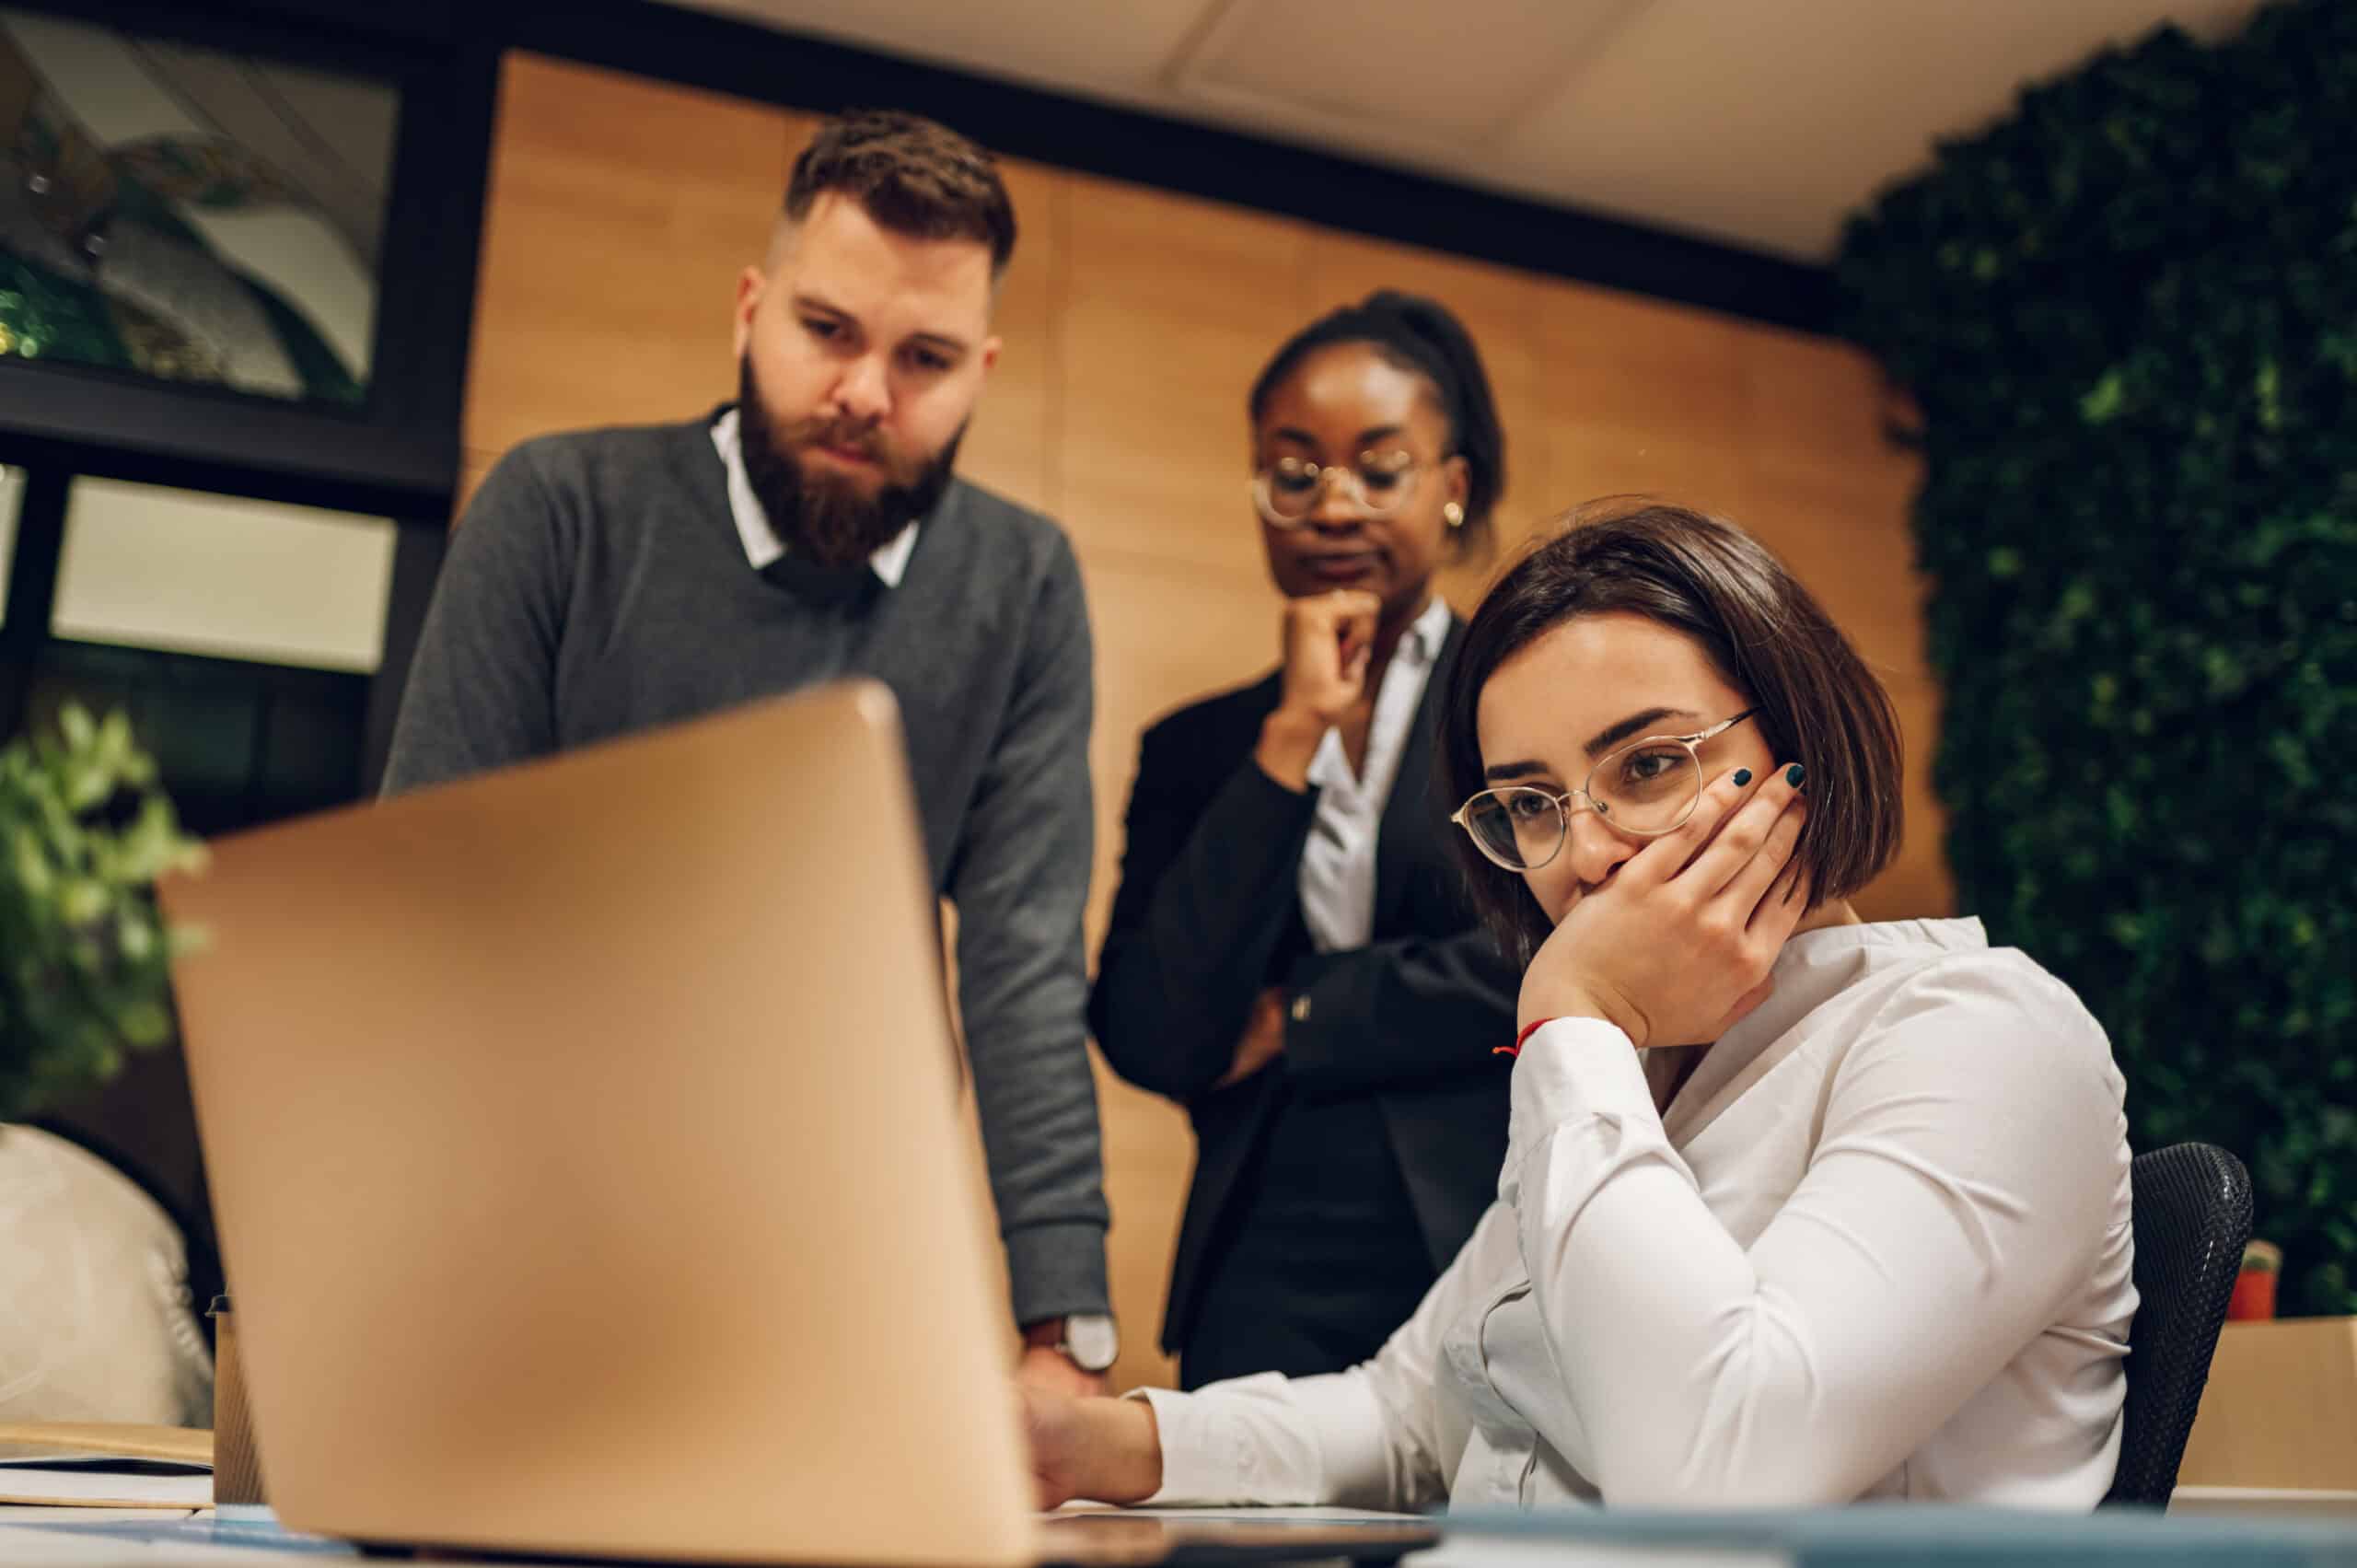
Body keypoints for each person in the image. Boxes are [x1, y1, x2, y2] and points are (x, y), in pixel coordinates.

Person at [1029, 502, 2138, 1507]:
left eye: (1649, 763)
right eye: (1529, 801)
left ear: (1800, 737)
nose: (1587, 854)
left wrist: (1571, 1014)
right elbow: (1412, 1414)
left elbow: (1720, 1467)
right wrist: (1098, 1442)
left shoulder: (1977, 1032)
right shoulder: (1623, 1074)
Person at [383, 110, 1116, 1394]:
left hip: (832, 1244)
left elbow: (1022, 960)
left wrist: (1064, 1328)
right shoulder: (559, 510)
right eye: (827, 330)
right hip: (523, 1221)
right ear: (749, 308)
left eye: (925, 357)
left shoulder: (1026, 584)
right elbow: (429, 895)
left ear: (981, 372)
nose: (865, 394)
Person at [1089, 292, 1518, 1389]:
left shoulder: (1520, 705)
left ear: (1451, 488)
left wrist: (1300, 1014)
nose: (1335, 505)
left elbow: (1542, 954)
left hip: (1487, 1232)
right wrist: (1287, 745)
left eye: (1380, 470)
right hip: (1258, 1256)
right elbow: (1146, 1028)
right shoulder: (1198, 747)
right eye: (1294, 472)